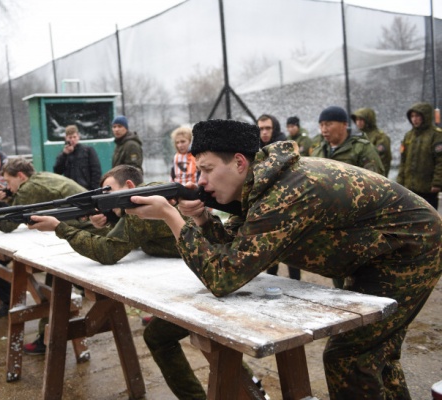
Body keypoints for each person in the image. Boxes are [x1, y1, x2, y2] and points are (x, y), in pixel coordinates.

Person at [125, 118, 442, 400]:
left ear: (238, 162)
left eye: (207, 169)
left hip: (410, 249)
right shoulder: (263, 185)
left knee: (350, 356)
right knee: (375, 355)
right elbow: (235, 250)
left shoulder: (284, 192)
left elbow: (223, 278)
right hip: (384, 251)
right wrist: (203, 220)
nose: (202, 181)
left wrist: (170, 216)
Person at [27, 164, 266, 398]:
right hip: (200, 274)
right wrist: (107, 222)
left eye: (109, 192)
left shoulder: (143, 204)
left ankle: (237, 390)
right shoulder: (150, 195)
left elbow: (108, 252)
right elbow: (122, 239)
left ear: (129, 186)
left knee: (166, 337)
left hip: (212, 277)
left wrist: (60, 227)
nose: (106, 199)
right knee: (171, 336)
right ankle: (250, 385)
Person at [0, 157, 105, 318]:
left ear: (21, 176)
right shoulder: (40, 177)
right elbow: (27, 206)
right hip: (85, 228)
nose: (8, 186)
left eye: (9, 181)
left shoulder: (30, 188)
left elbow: (6, 225)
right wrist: (9, 196)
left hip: (90, 231)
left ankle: (12, 306)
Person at [258, 114, 299, 280]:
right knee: (269, 246)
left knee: (291, 248)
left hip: (286, 202)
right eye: (261, 129)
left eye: (268, 128)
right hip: (265, 204)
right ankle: (272, 279)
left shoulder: (284, 146)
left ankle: (296, 282)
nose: (264, 132)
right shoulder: (257, 148)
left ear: (274, 128)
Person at [311, 106, 385, 176]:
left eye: (329, 124)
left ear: (344, 125)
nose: (324, 130)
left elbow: (376, 181)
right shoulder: (318, 151)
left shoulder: (362, 149)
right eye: (321, 125)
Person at [397, 102, 442, 210]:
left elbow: (440, 161)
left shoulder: (436, 135)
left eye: (417, 116)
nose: (414, 119)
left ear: (425, 117)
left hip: (427, 189)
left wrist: (437, 183)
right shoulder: (408, 136)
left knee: (428, 221)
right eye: (412, 116)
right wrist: (399, 182)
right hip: (409, 189)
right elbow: (403, 161)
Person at [53, 125, 102, 190]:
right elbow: (57, 171)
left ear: (78, 137)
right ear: (66, 138)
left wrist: (93, 189)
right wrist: (64, 154)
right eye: (70, 137)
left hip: (86, 189)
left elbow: (96, 171)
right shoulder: (63, 154)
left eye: (74, 137)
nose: (72, 140)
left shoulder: (88, 151)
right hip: (70, 190)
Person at [351, 108, 392, 177]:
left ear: (368, 120)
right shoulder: (360, 136)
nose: (358, 122)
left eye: (361, 120)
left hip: (375, 178)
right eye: (357, 120)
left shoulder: (380, 137)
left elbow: (382, 160)